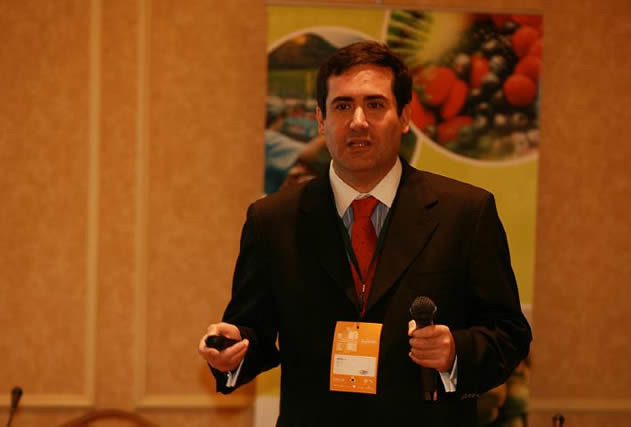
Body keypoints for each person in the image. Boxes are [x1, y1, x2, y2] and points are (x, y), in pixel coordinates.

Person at [199, 41, 531, 426]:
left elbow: (509, 334)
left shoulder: (465, 213)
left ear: (404, 117)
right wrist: (231, 351)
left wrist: (456, 351)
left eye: (375, 104)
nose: (358, 121)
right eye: (342, 106)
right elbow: (252, 331)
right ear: (321, 120)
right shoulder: (273, 219)